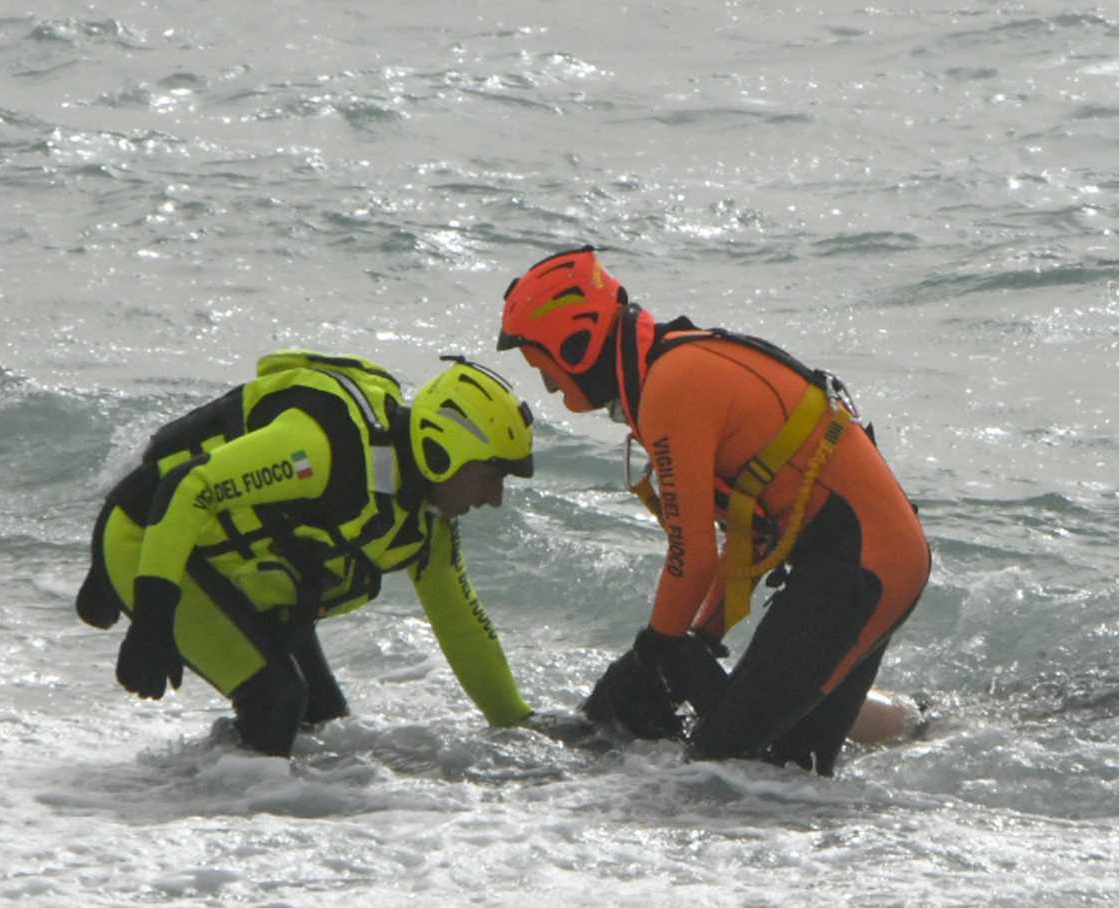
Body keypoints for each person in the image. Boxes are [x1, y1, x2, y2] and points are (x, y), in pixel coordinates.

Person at [496, 247, 930, 775]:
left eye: (545, 370)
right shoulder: (672, 365)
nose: (549, 388)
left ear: (576, 346)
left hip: (861, 566)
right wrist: (701, 637)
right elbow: (749, 534)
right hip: (867, 560)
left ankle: (933, 732)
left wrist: (655, 650)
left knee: (729, 771)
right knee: (788, 766)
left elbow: (692, 555)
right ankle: (933, 727)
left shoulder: (671, 385)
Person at [77, 352, 536, 755]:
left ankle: (249, 807)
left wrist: (522, 730)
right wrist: (155, 620)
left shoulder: (427, 524)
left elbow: (463, 628)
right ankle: (190, 822)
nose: (495, 498)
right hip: (145, 541)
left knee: (324, 723)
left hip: (225, 569)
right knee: (276, 701)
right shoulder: (323, 449)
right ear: (444, 453)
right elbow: (187, 486)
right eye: (493, 475)